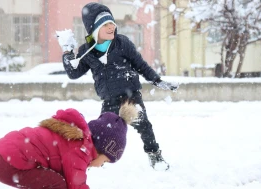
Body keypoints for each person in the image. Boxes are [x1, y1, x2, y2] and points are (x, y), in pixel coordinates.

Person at [58, 2, 178, 170]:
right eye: (105, 24)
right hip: (109, 100)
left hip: (131, 97)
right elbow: (73, 73)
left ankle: (155, 156)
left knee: (145, 127)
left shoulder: (122, 43)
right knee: (101, 133)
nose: (111, 27)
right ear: (94, 29)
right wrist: (67, 52)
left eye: (112, 23)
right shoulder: (87, 51)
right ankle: (93, 160)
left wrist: (157, 80)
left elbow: (140, 65)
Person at [0, 102, 138, 189]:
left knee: (50, 181)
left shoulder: (76, 141)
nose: (101, 165)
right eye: (106, 160)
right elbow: (76, 185)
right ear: (100, 148)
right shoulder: (81, 149)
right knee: (57, 184)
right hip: (7, 162)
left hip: (2, 154)